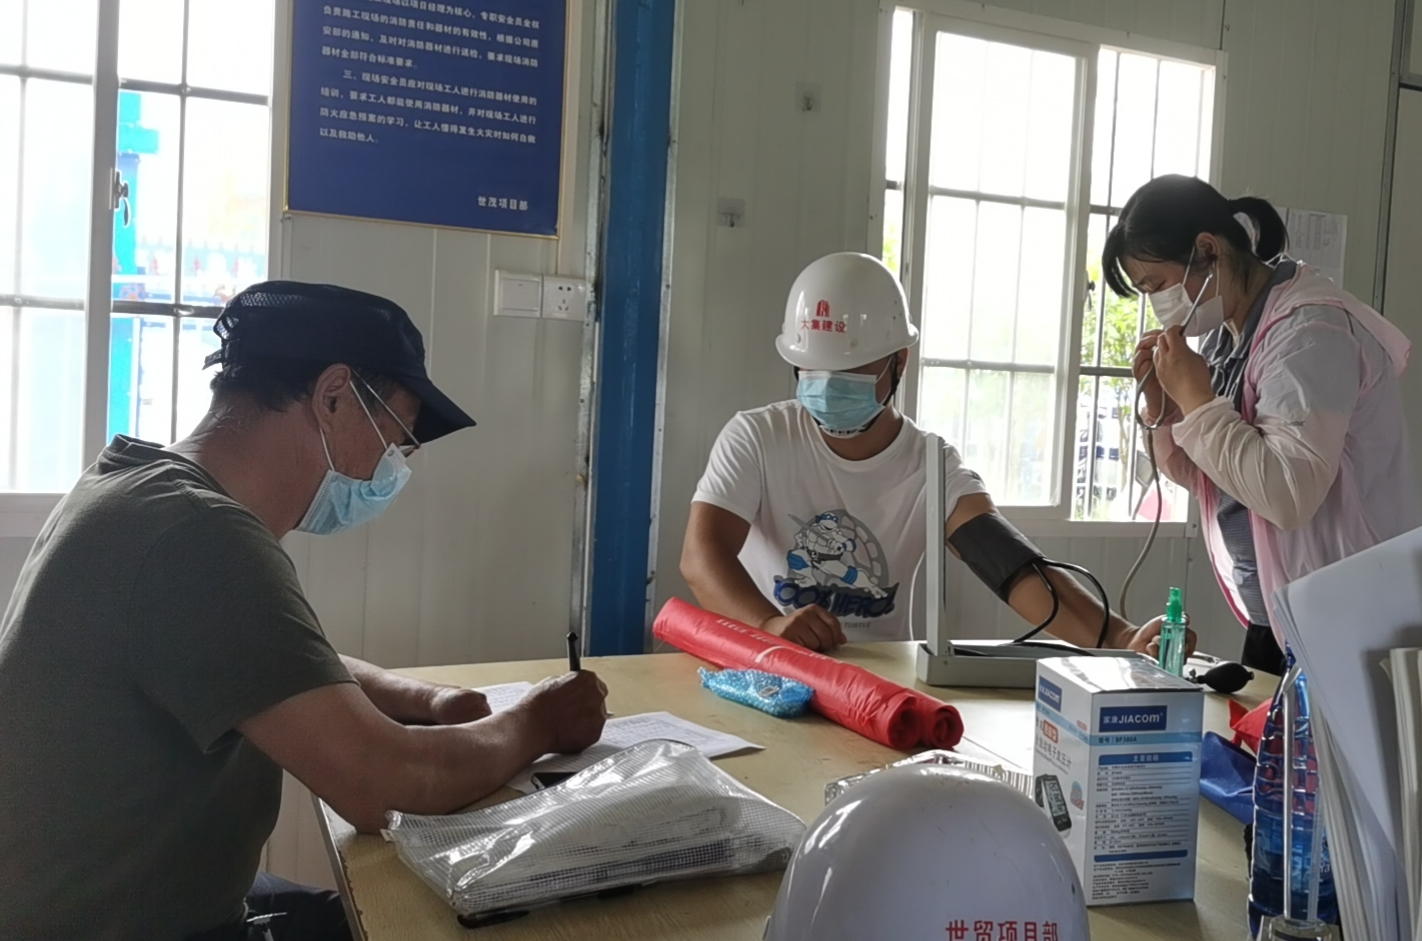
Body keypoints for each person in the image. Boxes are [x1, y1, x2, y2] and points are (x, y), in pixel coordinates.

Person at [0, 282, 609, 941]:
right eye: (397, 437)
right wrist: (537, 722)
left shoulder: (137, 486)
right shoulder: (198, 536)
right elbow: (384, 785)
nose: (393, 466)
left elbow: (274, 665)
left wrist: (427, 700)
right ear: (333, 395)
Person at [682, 252, 1159, 654]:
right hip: (769, 667)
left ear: (900, 361)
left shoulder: (931, 467)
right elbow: (702, 554)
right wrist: (768, 626)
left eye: (850, 368)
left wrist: (1121, 637)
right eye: (812, 367)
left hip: (878, 685)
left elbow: (1014, 568)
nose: (827, 384)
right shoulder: (758, 437)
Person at [1106, 175, 1422, 674]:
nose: (1158, 305)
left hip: (1345, 614)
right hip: (1276, 615)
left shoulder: (1311, 331)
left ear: (1208, 249)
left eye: (1158, 285)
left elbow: (1288, 496)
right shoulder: (1225, 338)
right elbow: (1209, 476)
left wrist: (1197, 400)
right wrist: (1165, 407)